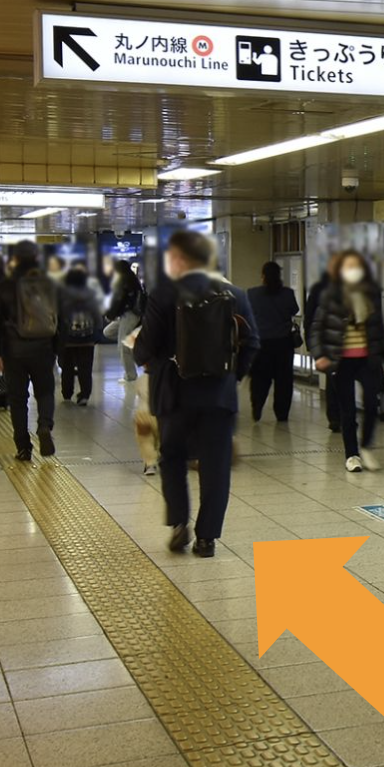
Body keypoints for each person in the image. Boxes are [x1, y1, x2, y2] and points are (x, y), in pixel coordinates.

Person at [135, 230, 258, 556]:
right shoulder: (236, 294)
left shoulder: (163, 295)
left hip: (173, 397)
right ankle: (207, 539)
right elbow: (252, 343)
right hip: (218, 399)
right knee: (215, 467)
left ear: (179, 259)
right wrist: (230, 377)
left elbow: (143, 348)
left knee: (172, 458)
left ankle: (179, 524)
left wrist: (149, 357)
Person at [311, 251, 384, 473]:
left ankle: (367, 446)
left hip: (367, 360)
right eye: (348, 267)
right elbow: (316, 329)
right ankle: (352, 455)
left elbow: (379, 332)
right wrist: (319, 355)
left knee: (372, 404)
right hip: (340, 362)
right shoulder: (330, 297)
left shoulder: (370, 296)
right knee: (347, 410)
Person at [0, 240, 62, 462]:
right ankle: (45, 425)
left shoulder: (3, 286)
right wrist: (58, 348)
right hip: (44, 348)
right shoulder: (50, 284)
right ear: (37, 258)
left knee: (18, 399)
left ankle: (23, 448)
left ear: (15, 259)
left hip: (13, 351)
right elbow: (60, 318)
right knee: (45, 392)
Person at [249, 261, 302, 423]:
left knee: (260, 378)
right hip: (283, 343)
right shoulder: (287, 293)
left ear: (263, 276)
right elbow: (295, 310)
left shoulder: (252, 294)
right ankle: (282, 413)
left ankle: (257, 406)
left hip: (261, 343)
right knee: (284, 380)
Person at [57, 267, 107, 406]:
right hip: (87, 338)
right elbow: (97, 316)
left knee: (67, 367)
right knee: (85, 369)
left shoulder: (62, 295)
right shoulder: (90, 294)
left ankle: (67, 393)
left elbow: (58, 315)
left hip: (68, 338)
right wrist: (97, 330)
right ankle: (84, 395)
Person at [306, 253, 341, 433]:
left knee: (339, 382)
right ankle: (335, 418)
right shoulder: (320, 289)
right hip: (329, 345)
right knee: (334, 382)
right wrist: (313, 347)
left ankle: (340, 417)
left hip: (346, 346)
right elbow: (311, 318)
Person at [106, 260, 145, 383]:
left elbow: (119, 301)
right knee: (108, 332)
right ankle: (132, 342)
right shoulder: (131, 280)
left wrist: (111, 315)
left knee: (123, 346)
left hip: (130, 315)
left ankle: (130, 375)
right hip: (126, 315)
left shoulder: (125, 281)